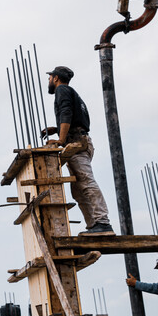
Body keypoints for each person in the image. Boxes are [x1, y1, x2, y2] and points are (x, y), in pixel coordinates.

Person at [41, 65, 114, 236]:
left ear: (56, 78)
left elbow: (66, 114)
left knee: (86, 182)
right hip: (81, 140)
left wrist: (60, 139)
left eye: (50, 78)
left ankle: (102, 223)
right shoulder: (72, 93)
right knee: (78, 189)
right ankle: (94, 226)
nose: (49, 81)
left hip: (76, 143)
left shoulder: (62, 91)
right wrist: (56, 128)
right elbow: (74, 118)